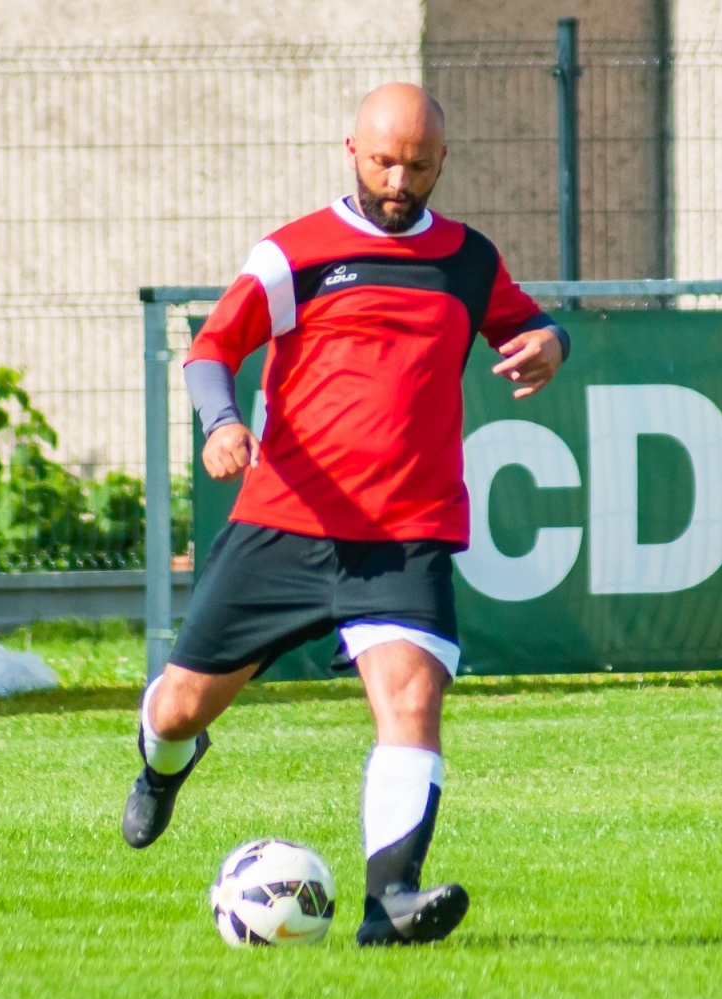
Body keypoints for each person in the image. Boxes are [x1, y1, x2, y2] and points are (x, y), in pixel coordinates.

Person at [120, 83, 569, 948]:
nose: (399, 181)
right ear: (351, 150)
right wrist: (221, 423)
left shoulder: (468, 259)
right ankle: (164, 765)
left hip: (409, 533)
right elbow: (212, 348)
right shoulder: (297, 253)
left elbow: (528, 322)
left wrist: (551, 341)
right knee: (179, 707)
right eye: (384, 161)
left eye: (419, 165)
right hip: (287, 524)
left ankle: (389, 905)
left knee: (411, 703)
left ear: (444, 162)